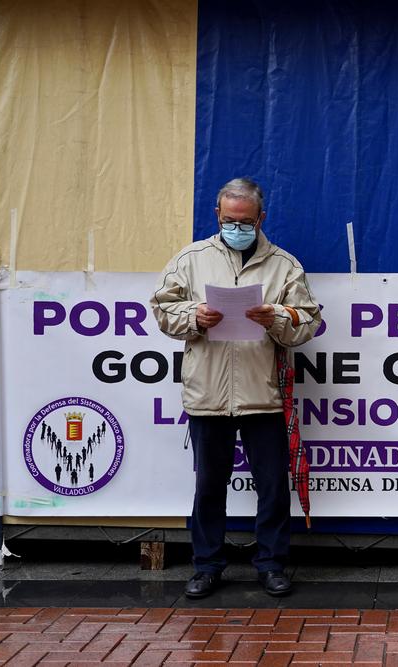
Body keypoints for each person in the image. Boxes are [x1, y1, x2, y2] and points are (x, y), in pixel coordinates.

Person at [151, 177, 321, 599]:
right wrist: (194, 316)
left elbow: (309, 321)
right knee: (209, 486)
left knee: (272, 487)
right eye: (229, 220)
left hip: (263, 395)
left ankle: (272, 564)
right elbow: (161, 309)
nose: (237, 227)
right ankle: (206, 566)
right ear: (217, 215)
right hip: (207, 396)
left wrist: (277, 318)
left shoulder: (284, 265)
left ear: (261, 218)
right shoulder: (189, 259)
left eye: (245, 221)